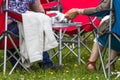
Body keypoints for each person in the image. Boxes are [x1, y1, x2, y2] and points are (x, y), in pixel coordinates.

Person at [65, 0, 120, 71]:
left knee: (109, 26)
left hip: (113, 36)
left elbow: (101, 10)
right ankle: (110, 63)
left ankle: (92, 63)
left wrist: (78, 11)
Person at [7, 0, 54, 69]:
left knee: (24, 29)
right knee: (34, 30)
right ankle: (46, 64)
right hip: (12, 29)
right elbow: (39, 10)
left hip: (5, 32)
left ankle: (19, 66)